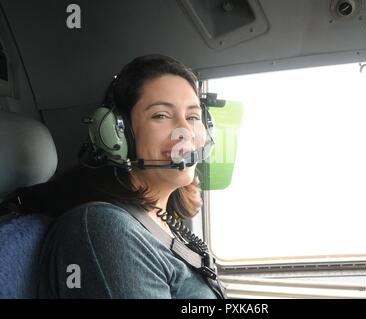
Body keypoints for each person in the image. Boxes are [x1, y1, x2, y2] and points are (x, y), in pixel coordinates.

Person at [36, 54, 225, 298]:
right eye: (161, 115)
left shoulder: (162, 222)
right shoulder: (103, 229)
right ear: (118, 133)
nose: (185, 130)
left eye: (192, 117)